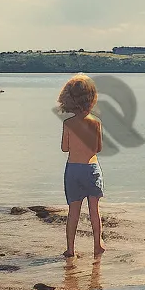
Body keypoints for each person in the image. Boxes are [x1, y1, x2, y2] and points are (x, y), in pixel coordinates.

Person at [57, 73, 106, 258]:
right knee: (94, 210)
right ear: (92, 98)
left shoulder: (68, 123)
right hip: (91, 168)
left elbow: (64, 148)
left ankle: (70, 249)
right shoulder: (95, 123)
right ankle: (97, 244)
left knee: (74, 211)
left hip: (73, 170)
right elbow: (98, 148)